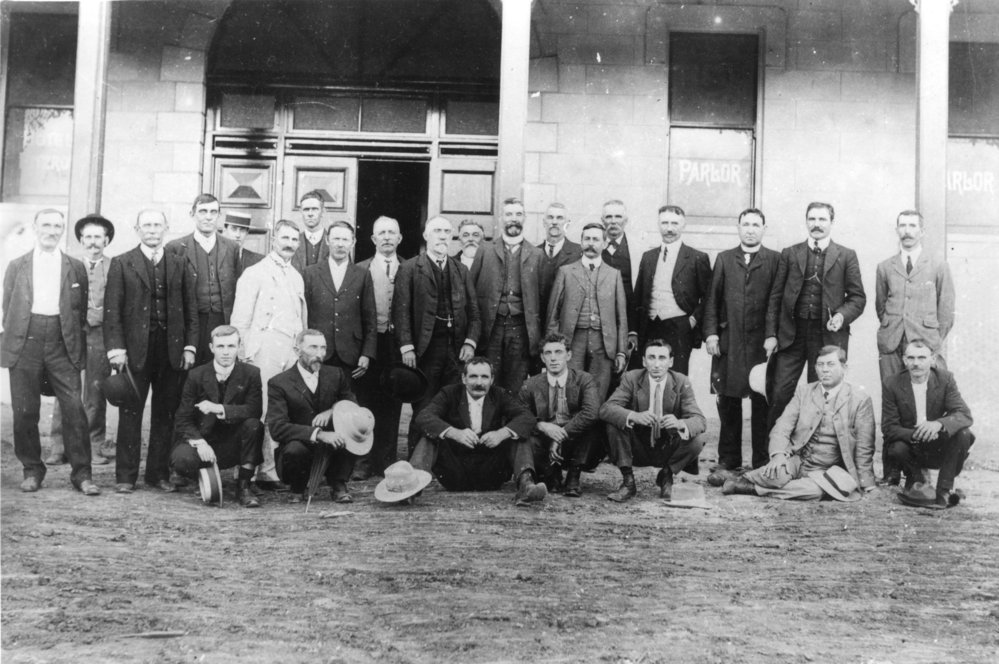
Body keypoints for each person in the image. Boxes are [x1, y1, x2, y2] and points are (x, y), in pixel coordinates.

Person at [2, 209, 100, 495]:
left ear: (63, 230)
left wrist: (70, 341)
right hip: (25, 341)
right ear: (35, 227)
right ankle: (32, 470)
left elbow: (78, 311)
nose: (52, 230)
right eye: (46, 224)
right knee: (24, 412)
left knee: (74, 409)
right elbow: (8, 308)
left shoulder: (74, 266)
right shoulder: (17, 265)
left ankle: (82, 474)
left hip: (62, 342)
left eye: (58, 226)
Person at [104, 209, 199, 493]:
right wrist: (116, 349)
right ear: (136, 229)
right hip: (134, 351)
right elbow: (112, 312)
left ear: (166, 228)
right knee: (130, 413)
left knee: (165, 413)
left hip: (171, 351)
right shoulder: (122, 263)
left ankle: (158, 475)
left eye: (158, 225)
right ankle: (125, 477)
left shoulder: (179, 263)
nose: (152, 230)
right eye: (146, 225)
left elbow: (191, 309)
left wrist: (190, 346)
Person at [719, 345, 876, 501]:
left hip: (829, 470)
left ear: (844, 368)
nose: (825, 370)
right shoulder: (804, 392)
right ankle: (745, 477)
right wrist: (779, 455)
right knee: (775, 475)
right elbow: (782, 427)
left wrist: (867, 483)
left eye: (831, 364)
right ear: (815, 368)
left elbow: (864, 446)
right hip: (799, 459)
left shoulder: (859, 400)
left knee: (814, 491)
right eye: (820, 365)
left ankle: (751, 487)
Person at [765, 202, 866, 428]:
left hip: (826, 339)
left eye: (822, 220)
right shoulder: (790, 253)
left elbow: (858, 297)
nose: (816, 224)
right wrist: (771, 334)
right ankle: (773, 454)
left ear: (832, 222)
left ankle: (814, 456)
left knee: (821, 395)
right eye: (812, 219)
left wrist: (841, 315)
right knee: (780, 393)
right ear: (806, 221)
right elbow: (776, 297)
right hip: (791, 335)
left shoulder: (846, 255)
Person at [875, 210, 956, 484]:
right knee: (892, 405)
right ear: (896, 229)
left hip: (924, 343)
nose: (907, 231)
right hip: (892, 343)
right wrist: (893, 331)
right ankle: (891, 470)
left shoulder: (937, 265)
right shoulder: (885, 266)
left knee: (929, 402)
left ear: (922, 231)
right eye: (902, 226)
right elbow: (880, 305)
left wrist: (931, 339)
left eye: (913, 226)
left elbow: (946, 310)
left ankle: (922, 465)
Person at [230, 218, 308, 490]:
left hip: (289, 351)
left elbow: (300, 319)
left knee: (281, 410)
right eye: (285, 238)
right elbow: (240, 319)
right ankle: (251, 471)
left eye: (294, 240)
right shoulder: (255, 272)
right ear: (274, 239)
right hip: (263, 348)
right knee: (261, 410)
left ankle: (271, 470)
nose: (289, 244)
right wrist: (242, 353)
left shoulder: (296, 276)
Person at [392, 215, 480, 452]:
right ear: (426, 236)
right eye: (438, 231)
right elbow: (401, 312)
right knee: (424, 406)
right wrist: (407, 347)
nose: (443, 236)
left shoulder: (460, 269)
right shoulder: (410, 268)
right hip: (425, 349)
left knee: (453, 405)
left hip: (455, 350)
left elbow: (474, 311)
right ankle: (417, 461)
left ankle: (445, 463)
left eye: (447, 231)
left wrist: (470, 343)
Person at [702, 208, 781, 470]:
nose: (750, 229)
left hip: (762, 343)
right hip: (730, 340)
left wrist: (771, 335)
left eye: (755, 224)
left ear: (764, 229)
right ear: (738, 228)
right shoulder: (725, 259)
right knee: (728, 400)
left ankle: (760, 460)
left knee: (761, 401)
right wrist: (711, 333)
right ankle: (729, 459)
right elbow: (712, 299)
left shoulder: (775, 260)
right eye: (745, 224)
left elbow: (775, 301)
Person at [411, 357, 545, 505]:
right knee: (430, 435)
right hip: (455, 473)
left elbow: (527, 417)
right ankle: (411, 486)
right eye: (473, 376)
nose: (479, 383)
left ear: (492, 379)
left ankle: (526, 485)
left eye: (484, 377)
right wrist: (454, 433)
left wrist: (501, 434)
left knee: (518, 432)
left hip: (490, 474)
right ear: (463, 378)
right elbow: (423, 416)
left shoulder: (499, 394)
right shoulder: (449, 393)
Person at [599, 339, 706, 503]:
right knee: (614, 423)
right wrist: (634, 416)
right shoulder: (632, 378)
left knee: (697, 438)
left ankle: (667, 475)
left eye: (662, 358)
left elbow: (700, 420)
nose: (656, 364)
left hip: (666, 446)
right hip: (638, 446)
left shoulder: (681, 381)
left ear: (671, 362)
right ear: (643, 361)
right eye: (651, 358)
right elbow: (607, 408)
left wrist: (679, 423)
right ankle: (628, 482)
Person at [47, 214, 117, 466]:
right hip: (70, 335)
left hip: (100, 335)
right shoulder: (68, 266)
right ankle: (59, 445)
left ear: (106, 240)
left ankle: (94, 445)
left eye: (98, 237)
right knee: (64, 388)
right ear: (80, 240)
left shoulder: (115, 266)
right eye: (87, 237)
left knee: (95, 391)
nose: (93, 242)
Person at [170, 325, 264, 508]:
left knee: (254, 425)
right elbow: (182, 418)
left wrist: (219, 408)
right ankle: (201, 477)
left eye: (231, 346)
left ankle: (244, 486)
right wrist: (199, 442)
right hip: (204, 441)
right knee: (182, 459)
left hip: (232, 444)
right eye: (220, 347)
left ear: (239, 347)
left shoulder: (251, 373)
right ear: (212, 348)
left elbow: (254, 410)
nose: (226, 352)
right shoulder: (197, 375)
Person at [265, 329, 359, 503]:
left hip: (333, 447)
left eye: (323, 348)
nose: (320, 354)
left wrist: (332, 410)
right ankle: (297, 488)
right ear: (297, 351)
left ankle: (338, 484)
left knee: (350, 433)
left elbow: (353, 407)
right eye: (313, 348)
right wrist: (319, 434)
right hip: (300, 447)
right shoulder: (279, 383)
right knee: (294, 450)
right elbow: (277, 428)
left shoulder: (335, 374)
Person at [882, 339, 974, 506]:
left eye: (922, 358)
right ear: (904, 360)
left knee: (964, 434)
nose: (916, 363)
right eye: (911, 358)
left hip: (937, 446)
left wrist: (938, 424)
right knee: (896, 448)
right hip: (912, 446)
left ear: (932, 359)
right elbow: (889, 428)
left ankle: (944, 490)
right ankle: (918, 485)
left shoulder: (945, 379)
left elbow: (964, 415)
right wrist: (920, 434)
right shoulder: (892, 383)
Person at [546, 221, 629, 399]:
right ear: (581, 242)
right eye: (587, 239)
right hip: (572, 340)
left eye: (596, 239)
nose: (591, 243)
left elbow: (621, 317)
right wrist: (551, 346)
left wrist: (621, 351)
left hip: (603, 344)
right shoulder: (566, 272)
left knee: (598, 393)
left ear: (604, 244)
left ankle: (592, 427)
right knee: (571, 390)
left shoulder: (614, 275)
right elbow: (553, 314)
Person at [470, 197, 543, 394]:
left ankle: (510, 425)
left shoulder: (536, 254)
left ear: (525, 218)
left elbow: (542, 298)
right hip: (491, 327)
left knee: (516, 383)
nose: (514, 219)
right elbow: (472, 293)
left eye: (518, 214)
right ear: (501, 217)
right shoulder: (485, 250)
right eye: (509, 214)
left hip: (520, 328)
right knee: (488, 380)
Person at [353, 216, 406, 479]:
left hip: (396, 346)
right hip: (369, 345)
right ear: (373, 239)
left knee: (392, 402)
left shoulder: (409, 268)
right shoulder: (360, 269)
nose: (386, 237)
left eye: (391, 233)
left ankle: (387, 461)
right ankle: (362, 462)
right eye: (381, 233)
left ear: (399, 238)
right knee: (365, 401)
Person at [517, 333, 601, 497]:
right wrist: (542, 425)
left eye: (559, 352)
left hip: (573, 440)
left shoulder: (584, 380)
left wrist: (561, 435)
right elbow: (520, 415)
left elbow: (591, 412)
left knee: (594, 426)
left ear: (568, 355)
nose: (553, 358)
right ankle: (550, 474)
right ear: (542, 357)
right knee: (525, 436)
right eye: (548, 353)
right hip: (545, 441)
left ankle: (573, 477)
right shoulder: (531, 384)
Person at [633, 205, 711, 376]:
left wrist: (691, 320)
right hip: (650, 326)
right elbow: (638, 295)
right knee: (647, 377)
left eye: (674, 223)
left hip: (679, 327)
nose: (669, 228)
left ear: (683, 226)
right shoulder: (648, 257)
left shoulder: (697, 258)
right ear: (658, 225)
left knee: (676, 378)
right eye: (664, 223)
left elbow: (709, 297)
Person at [165, 193, 240, 365]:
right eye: (203, 211)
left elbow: (237, 287)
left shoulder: (231, 247)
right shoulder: (175, 247)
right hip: (191, 323)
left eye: (213, 212)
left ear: (219, 216)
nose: (208, 217)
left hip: (222, 320)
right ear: (192, 214)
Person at [303, 220, 377, 376]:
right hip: (317, 353)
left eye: (345, 240)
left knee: (346, 400)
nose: (340, 244)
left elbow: (370, 318)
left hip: (351, 355)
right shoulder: (310, 273)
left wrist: (366, 354)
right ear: (327, 241)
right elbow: (303, 314)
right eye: (336, 239)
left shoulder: (362, 275)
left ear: (353, 242)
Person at [537, 202, 582, 312]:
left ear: (568, 223)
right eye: (550, 217)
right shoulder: (533, 253)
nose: (554, 222)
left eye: (560, 218)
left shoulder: (579, 252)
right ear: (544, 222)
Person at [291, 190, 329, 272]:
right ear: (301, 212)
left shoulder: (334, 241)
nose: (310, 214)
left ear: (323, 211)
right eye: (306, 209)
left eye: (315, 209)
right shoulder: (292, 242)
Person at [220, 211, 263, 275]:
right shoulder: (214, 257)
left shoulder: (258, 261)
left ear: (247, 233)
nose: (238, 235)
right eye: (234, 229)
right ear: (225, 230)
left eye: (242, 230)